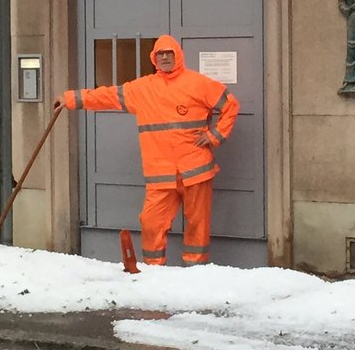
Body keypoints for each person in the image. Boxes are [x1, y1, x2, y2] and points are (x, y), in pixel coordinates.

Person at [54, 35, 240, 266]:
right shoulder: (142, 88)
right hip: (160, 174)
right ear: (154, 58)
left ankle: (195, 272)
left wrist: (214, 136)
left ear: (178, 55)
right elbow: (107, 96)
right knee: (151, 222)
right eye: (160, 54)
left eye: (169, 53)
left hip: (196, 169)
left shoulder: (199, 83)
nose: (164, 57)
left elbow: (230, 105)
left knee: (197, 224)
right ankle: (154, 271)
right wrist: (71, 98)